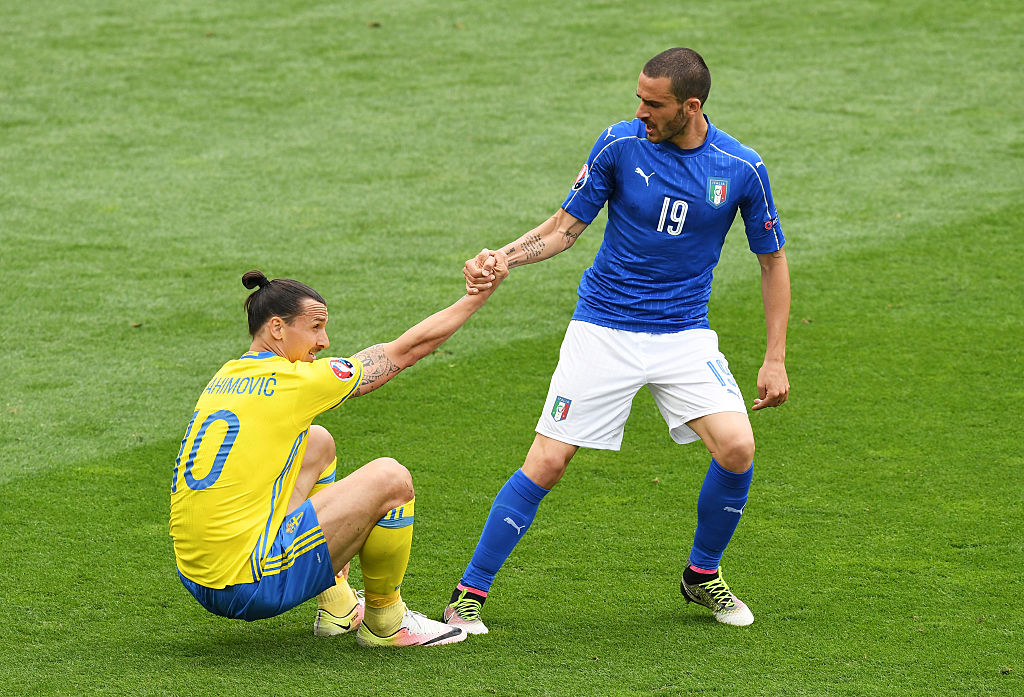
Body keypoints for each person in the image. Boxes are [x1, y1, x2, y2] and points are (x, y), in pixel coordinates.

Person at [443, 47, 790, 631]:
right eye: (638, 98)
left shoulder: (741, 168)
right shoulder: (619, 145)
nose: (640, 112)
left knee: (737, 447)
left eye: (653, 104)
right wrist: (502, 258)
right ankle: (467, 594)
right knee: (548, 461)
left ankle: (702, 576)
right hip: (603, 328)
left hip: (684, 334)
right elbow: (563, 229)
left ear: (691, 105)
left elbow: (772, 262)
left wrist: (775, 357)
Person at [170, 262, 507, 647]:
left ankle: (337, 607)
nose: (324, 340)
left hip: (197, 575)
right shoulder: (294, 382)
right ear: (278, 328)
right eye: (315, 327)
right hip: (248, 585)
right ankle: (387, 621)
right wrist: (474, 298)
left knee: (317, 442)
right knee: (390, 479)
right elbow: (406, 351)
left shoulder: (225, 377)